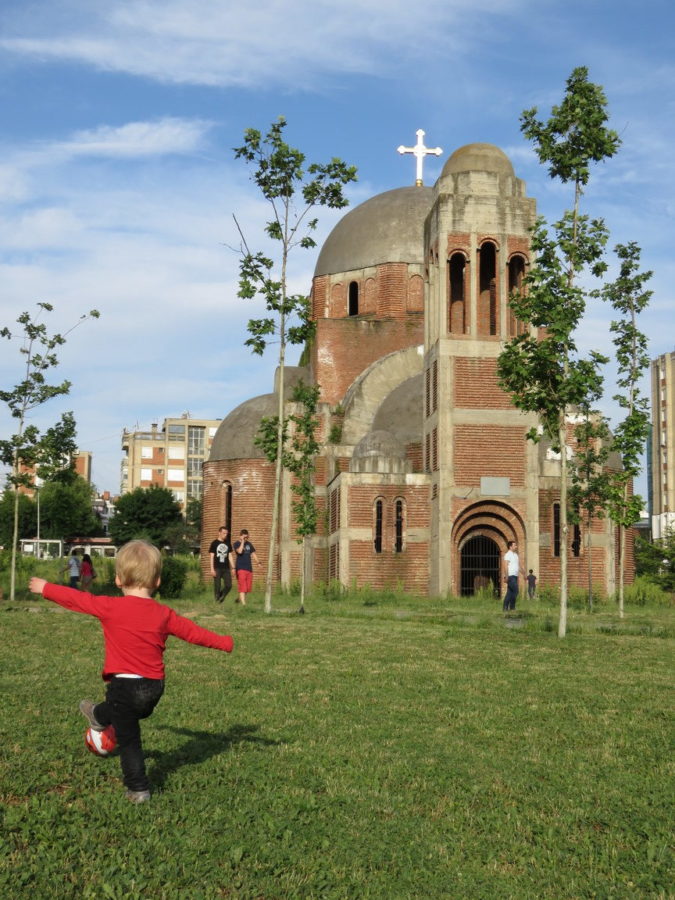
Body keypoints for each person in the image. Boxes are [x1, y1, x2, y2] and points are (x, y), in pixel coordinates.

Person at [28, 539, 234, 804]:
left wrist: (46, 588)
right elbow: (194, 633)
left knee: (129, 740)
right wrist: (224, 642)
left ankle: (138, 789)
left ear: (117, 580)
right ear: (157, 581)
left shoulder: (110, 606)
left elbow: (78, 598)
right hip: (154, 689)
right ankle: (97, 715)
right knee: (121, 713)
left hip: (124, 687)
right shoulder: (164, 613)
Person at [233, 529, 259, 606]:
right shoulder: (236, 544)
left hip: (249, 569)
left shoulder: (249, 544)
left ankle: (239, 599)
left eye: (247, 537)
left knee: (247, 588)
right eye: (244, 537)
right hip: (240, 568)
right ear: (240, 536)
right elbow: (240, 551)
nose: (246, 539)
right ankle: (244, 605)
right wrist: (242, 542)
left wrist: (258, 562)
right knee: (242, 587)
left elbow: (253, 554)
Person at [208, 526, 233, 603]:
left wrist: (233, 568)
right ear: (219, 533)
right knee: (217, 585)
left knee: (229, 585)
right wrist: (212, 569)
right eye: (223, 533)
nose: (225, 535)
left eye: (226, 533)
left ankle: (221, 595)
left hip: (226, 568)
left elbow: (230, 556)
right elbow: (211, 556)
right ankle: (217, 600)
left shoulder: (228, 543)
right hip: (217, 567)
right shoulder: (214, 543)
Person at [502, 539, 523, 612]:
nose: (516, 546)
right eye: (515, 545)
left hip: (515, 576)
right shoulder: (507, 555)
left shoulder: (516, 555)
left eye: (516, 545)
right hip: (510, 576)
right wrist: (507, 576)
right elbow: (505, 566)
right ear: (510, 547)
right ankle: (512, 607)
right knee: (516, 591)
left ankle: (505, 608)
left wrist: (524, 573)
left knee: (509, 592)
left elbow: (518, 566)